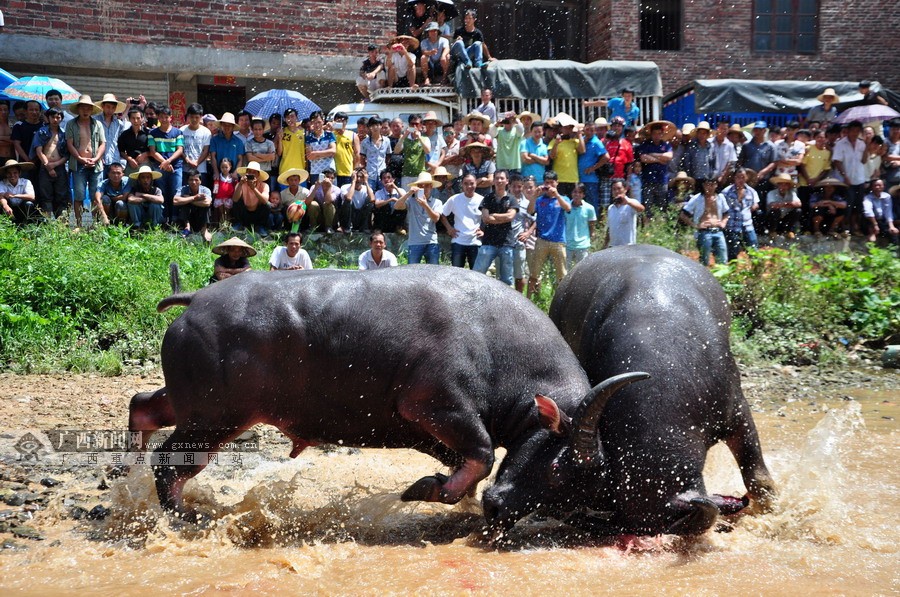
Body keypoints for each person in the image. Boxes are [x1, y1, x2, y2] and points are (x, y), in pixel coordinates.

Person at [65, 95, 106, 229]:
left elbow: (102, 144)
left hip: (95, 164)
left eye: (88, 108)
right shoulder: (71, 124)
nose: (85, 110)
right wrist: (80, 158)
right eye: (83, 107)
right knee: (79, 195)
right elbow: (69, 144)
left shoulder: (97, 124)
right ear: (78, 109)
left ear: (91, 110)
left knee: (96, 195)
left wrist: (96, 158)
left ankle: (94, 225)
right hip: (78, 164)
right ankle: (79, 224)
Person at [528, 170, 571, 291]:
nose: (549, 186)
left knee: (562, 275)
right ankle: (530, 298)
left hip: (558, 241)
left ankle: (562, 299)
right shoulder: (540, 200)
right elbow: (530, 211)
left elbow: (568, 208)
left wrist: (556, 195)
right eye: (547, 183)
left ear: (557, 183)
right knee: (534, 273)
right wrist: (534, 196)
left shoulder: (563, 198)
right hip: (542, 240)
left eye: (552, 183)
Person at [473, 170, 517, 285]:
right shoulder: (488, 197)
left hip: (506, 242)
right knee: (477, 275)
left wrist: (495, 216)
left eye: (502, 178)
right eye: (497, 178)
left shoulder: (511, 199)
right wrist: (503, 218)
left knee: (507, 280)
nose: (499, 181)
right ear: (493, 181)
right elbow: (486, 218)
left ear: (507, 181)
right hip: (488, 242)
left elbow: (511, 216)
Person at [395, 171, 443, 264]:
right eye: (421, 185)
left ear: (431, 186)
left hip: (431, 242)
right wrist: (409, 192)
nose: (424, 188)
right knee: (412, 273)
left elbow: (436, 218)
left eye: (427, 185)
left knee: (434, 273)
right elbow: (397, 206)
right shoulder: (411, 201)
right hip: (414, 242)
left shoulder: (437, 202)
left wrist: (425, 205)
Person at [147, 105, 184, 223]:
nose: (164, 119)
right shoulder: (152, 133)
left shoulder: (178, 132)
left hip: (176, 167)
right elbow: (152, 152)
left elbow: (180, 150)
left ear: (171, 118)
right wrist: (164, 163)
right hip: (159, 167)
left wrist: (168, 161)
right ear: (158, 118)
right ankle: (163, 218)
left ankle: (174, 218)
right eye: (161, 117)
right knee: (161, 192)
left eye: (166, 117)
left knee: (175, 192)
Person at [680, 178, 729, 266]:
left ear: (716, 185)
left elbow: (726, 213)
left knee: (723, 259)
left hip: (718, 231)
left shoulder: (720, 197)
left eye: (712, 184)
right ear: (703, 185)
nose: (710, 187)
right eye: (707, 184)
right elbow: (683, 215)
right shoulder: (697, 198)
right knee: (704, 259)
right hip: (704, 232)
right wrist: (696, 225)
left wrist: (723, 223)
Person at [32, 107, 70, 219]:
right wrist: (48, 166)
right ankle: (47, 224)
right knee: (46, 197)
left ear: (61, 119)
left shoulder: (64, 133)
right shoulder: (42, 131)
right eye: (53, 117)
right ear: (48, 118)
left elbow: (67, 154)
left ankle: (62, 225)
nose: (55, 119)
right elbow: (38, 151)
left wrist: (55, 164)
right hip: (45, 168)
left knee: (62, 196)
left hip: (60, 167)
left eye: (58, 117)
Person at [441, 173, 483, 268]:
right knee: (456, 274)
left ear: (476, 183)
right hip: (458, 240)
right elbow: (442, 215)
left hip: (475, 241)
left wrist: (483, 230)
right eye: (466, 183)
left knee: (476, 274)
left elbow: (487, 218)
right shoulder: (454, 199)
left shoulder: (481, 200)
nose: (469, 186)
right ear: (462, 185)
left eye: (472, 183)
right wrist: (449, 228)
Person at [832, 120, 867, 234]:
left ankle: (854, 227)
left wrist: (866, 145)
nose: (855, 133)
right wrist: (844, 176)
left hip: (859, 178)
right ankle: (843, 228)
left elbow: (864, 160)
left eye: (858, 131)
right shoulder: (841, 143)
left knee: (857, 205)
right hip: (845, 180)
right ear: (848, 131)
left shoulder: (862, 143)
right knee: (847, 204)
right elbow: (837, 161)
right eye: (853, 130)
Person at [635, 120, 674, 217]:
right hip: (648, 180)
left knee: (661, 208)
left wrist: (652, 155)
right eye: (655, 133)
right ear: (651, 134)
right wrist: (660, 160)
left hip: (662, 180)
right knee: (648, 208)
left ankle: (660, 228)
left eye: (659, 133)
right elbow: (643, 158)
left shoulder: (666, 145)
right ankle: (648, 229)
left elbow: (669, 156)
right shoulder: (645, 145)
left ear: (662, 134)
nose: (657, 136)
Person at [547, 113, 584, 197]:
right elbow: (552, 156)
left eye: (569, 127)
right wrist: (556, 144)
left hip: (573, 178)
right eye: (565, 127)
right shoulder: (554, 141)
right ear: (560, 128)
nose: (568, 129)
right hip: (559, 179)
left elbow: (582, 150)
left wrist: (579, 134)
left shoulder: (574, 141)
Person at [576, 120, 608, 212]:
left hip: (591, 179)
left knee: (592, 204)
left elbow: (606, 157)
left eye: (592, 130)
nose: (589, 132)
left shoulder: (596, 142)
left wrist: (593, 168)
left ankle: (594, 224)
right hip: (580, 178)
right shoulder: (582, 139)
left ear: (595, 131)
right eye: (587, 129)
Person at [232, 160, 271, 235]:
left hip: (257, 214)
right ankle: (238, 224)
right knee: (237, 201)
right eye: (249, 172)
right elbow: (235, 199)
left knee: (267, 205)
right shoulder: (241, 184)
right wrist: (240, 184)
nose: (251, 174)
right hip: (244, 213)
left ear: (258, 175)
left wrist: (254, 188)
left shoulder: (264, 185)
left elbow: (265, 201)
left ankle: (260, 226)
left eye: (254, 172)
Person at [173, 168, 213, 241]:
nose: (193, 182)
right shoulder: (183, 189)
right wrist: (194, 198)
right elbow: (175, 201)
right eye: (191, 180)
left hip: (201, 218)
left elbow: (207, 203)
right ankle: (187, 227)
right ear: (188, 181)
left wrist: (189, 199)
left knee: (204, 206)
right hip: (188, 217)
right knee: (184, 202)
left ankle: (204, 230)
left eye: (196, 180)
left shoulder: (205, 190)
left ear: (200, 181)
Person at [394, 113, 431, 191]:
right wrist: (404, 136)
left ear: (421, 125)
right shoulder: (404, 139)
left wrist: (419, 138)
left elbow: (427, 151)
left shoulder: (425, 139)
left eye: (417, 124)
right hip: (406, 174)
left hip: (420, 174)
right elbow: (396, 151)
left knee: (420, 198)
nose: (414, 126)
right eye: (412, 124)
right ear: (409, 125)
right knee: (406, 198)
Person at [564, 183, 597, 268]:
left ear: (583, 194)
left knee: (582, 272)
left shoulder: (589, 208)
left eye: (580, 192)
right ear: (571, 193)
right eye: (575, 192)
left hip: (583, 245)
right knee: (565, 272)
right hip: (567, 244)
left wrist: (590, 239)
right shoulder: (566, 207)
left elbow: (592, 226)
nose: (577, 194)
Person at [604, 179, 644, 247]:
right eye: (614, 189)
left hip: (628, 246)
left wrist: (628, 202)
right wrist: (605, 244)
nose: (616, 191)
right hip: (613, 246)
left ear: (625, 189)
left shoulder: (631, 204)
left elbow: (641, 209)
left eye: (619, 188)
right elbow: (609, 228)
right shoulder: (611, 208)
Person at [181, 103, 212, 188]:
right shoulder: (181, 130)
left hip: (201, 170)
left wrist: (196, 162)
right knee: (185, 194)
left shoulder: (206, 132)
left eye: (197, 117)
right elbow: (180, 149)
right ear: (188, 117)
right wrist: (187, 160)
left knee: (201, 194)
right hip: (185, 170)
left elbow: (206, 150)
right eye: (192, 117)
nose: (194, 120)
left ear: (201, 117)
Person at [210, 112, 246, 184]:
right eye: (224, 125)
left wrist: (235, 173)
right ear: (221, 125)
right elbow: (213, 157)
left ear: (233, 127)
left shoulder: (238, 141)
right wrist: (216, 172)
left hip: (233, 175)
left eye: (229, 125)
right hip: (219, 174)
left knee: (233, 194)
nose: (227, 127)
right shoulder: (214, 140)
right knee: (217, 194)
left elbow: (240, 159)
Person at [680, 121, 716, 191]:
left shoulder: (711, 147)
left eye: (704, 133)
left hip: (707, 180)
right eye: (700, 133)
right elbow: (687, 164)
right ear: (697, 134)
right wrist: (689, 179)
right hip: (694, 179)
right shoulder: (691, 147)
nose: (702, 135)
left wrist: (712, 178)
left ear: (707, 134)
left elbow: (713, 164)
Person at [863, 180, 898, 247]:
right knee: (872, 237)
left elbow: (888, 212)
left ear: (883, 187)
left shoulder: (887, 196)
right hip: (871, 220)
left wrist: (891, 226)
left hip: (882, 220)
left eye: (879, 185)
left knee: (893, 233)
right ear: (871, 187)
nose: (877, 187)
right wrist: (875, 224)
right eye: (875, 185)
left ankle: (894, 252)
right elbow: (868, 211)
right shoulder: (867, 198)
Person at [339, 167, 375, 233]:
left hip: (361, 215)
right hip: (350, 216)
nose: (358, 179)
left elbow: (372, 199)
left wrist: (366, 182)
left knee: (369, 201)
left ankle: (365, 227)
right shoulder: (345, 187)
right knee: (348, 201)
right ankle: (347, 227)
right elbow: (349, 198)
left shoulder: (366, 189)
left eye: (361, 177)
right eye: (357, 176)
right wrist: (353, 181)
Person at [0, 159, 36, 224]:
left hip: (22, 208)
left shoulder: (26, 182)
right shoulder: (2, 183)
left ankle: (26, 223)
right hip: (9, 208)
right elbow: (1, 196)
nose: (12, 175)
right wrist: (5, 206)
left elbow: (32, 196)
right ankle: (6, 224)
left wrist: (14, 195)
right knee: (1, 204)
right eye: (9, 173)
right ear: (6, 174)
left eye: (15, 172)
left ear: (19, 173)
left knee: (29, 204)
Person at [305, 167, 340, 233]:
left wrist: (328, 188)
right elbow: (307, 202)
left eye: (332, 178)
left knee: (327, 205)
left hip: (331, 218)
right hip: (319, 217)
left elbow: (328, 201)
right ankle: (313, 227)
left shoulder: (336, 189)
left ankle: (328, 227)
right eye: (327, 177)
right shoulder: (314, 186)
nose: (329, 179)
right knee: (313, 204)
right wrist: (316, 187)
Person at [360, 117, 391, 191]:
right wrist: (364, 171)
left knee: (383, 194)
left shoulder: (386, 141)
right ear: (369, 127)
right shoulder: (364, 142)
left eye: (377, 125)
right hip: (370, 174)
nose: (375, 128)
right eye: (372, 125)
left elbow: (388, 157)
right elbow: (362, 158)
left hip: (382, 174)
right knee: (370, 195)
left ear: (381, 126)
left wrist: (386, 168)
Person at [118, 107, 151, 176]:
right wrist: (129, 159)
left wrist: (145, 154)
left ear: (142, 119)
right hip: (131, 164)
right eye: (133, 118)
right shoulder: (124, 134)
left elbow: (154, 149)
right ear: (129, 119)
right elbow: (121, 150)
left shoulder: (149, 133)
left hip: (145, 164)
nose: (136, 121)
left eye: (138, 118)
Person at [277, 167, 310, 233]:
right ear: (287, 181)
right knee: (284, 208)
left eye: (295, 180)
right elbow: (280, 207)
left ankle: (304, 228)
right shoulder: (283, 194)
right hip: (289, 218)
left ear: (299, 181)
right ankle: (287, 228)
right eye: (291, 180)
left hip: (302, 217)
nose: (293, 182)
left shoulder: (305, 192)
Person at [305, 110, 336, 182]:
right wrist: (327, 152)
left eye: (319, 122)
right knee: (316, 192)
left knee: (330, 192)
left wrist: (315, 154)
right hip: (315, 172)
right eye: (314, 122)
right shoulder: (308, 138)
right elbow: (309, 156)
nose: (317, 125)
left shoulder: (329, 135)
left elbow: (333, 151)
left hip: (329, 171)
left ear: (323, 121)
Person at [331, 111, 359, 187]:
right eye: (338, 121)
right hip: (333, 172)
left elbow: (357, 153)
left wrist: (355, 170)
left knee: (347, 195)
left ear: (346, 122)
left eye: (343, 121)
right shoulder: (330, 134)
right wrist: (330, 126)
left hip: (348, 171)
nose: (341, 123)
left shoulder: (353, 135)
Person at [277, 108, 305, 182]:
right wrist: (279, 139)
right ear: (285, 119)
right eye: (287, 117)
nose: (290, 119)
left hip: (300, 170)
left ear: (297, 117)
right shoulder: (282, 132)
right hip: (285, 170)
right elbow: (279, 153)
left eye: (292, 116)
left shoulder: (303, 132)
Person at [420, 21, 450, 86]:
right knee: (423, 57)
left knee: (447, 56)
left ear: (437, 32)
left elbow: (447, 48)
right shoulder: (424, 42)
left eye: (434, 31)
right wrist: (430, 52)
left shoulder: (444, 40)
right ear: (428, 32)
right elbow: (423, 51)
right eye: (431, 31)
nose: (433, 33)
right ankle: (426, 78)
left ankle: (444, 78)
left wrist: (443, 55)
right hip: (430, 65)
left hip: (440, 64)